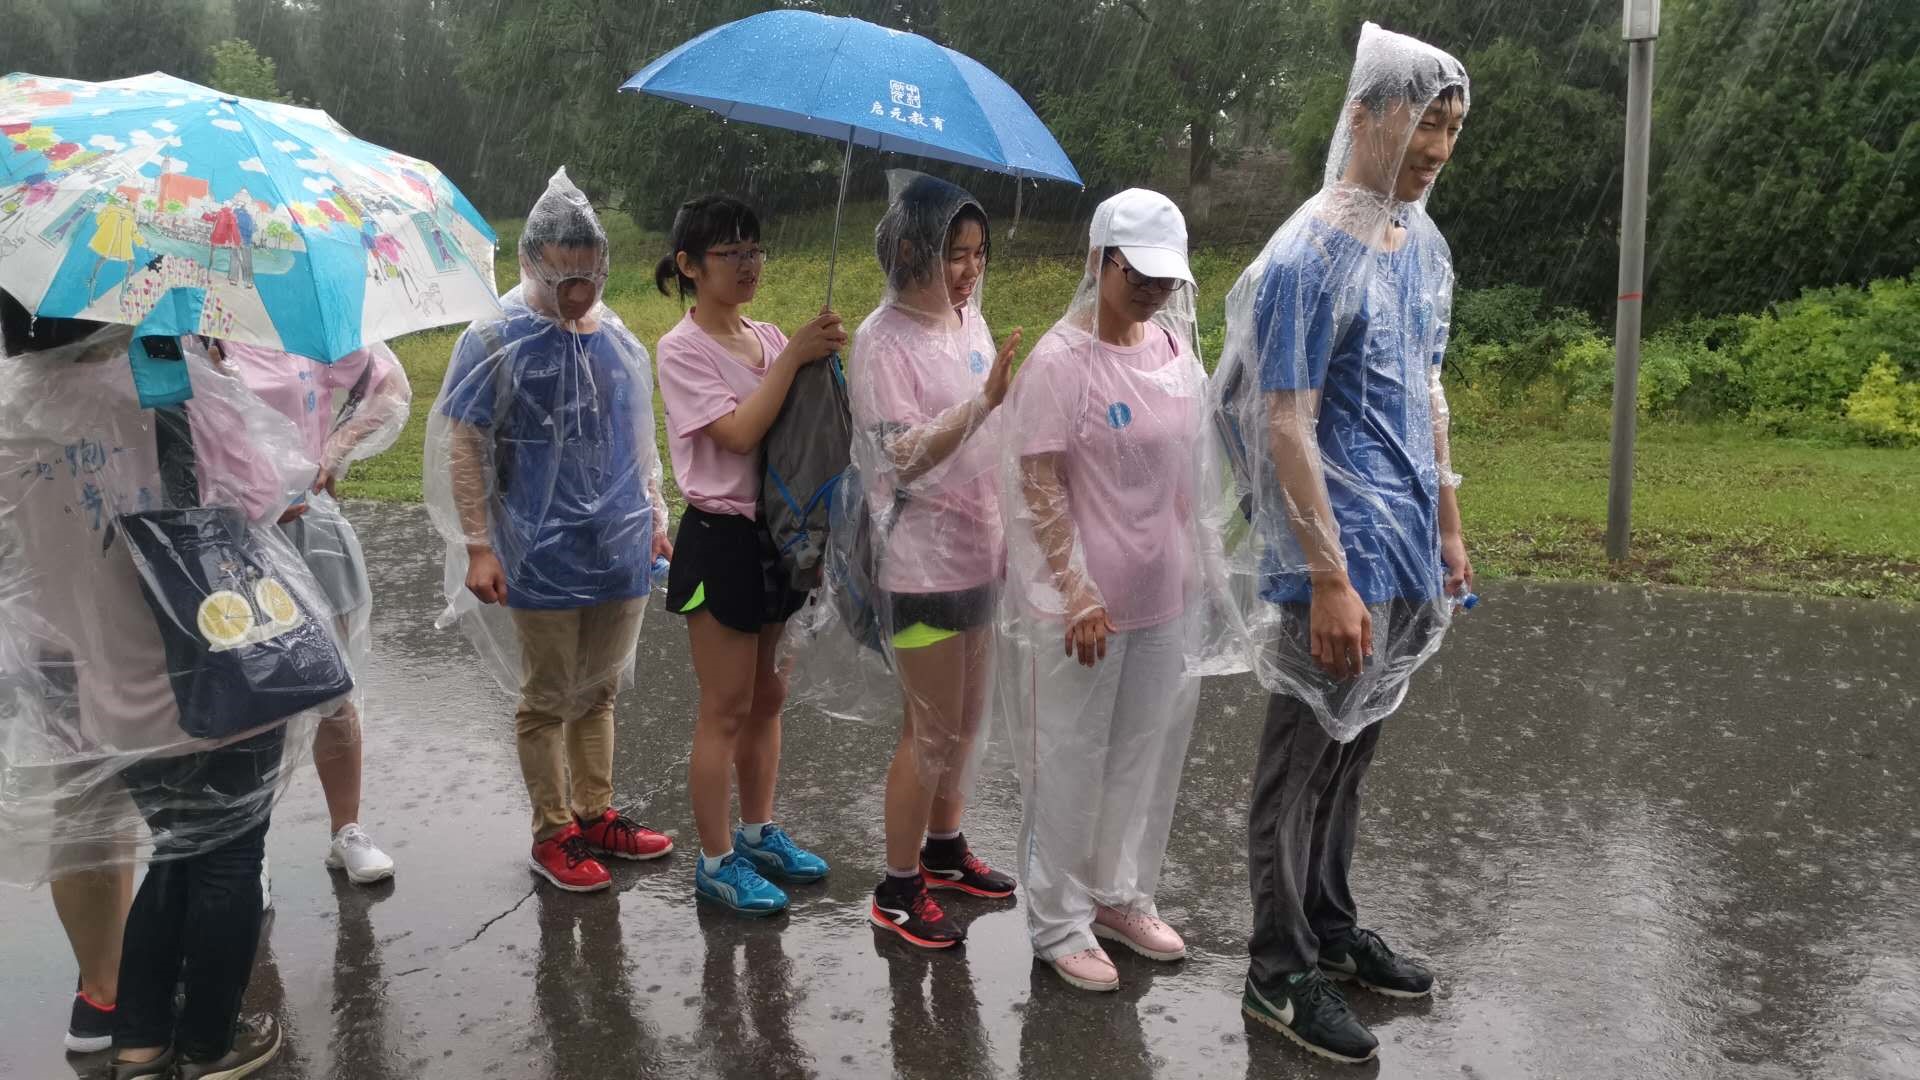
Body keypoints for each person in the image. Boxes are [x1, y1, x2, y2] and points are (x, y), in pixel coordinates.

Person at [1214, 23, 1472, 1065]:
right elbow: (1282, 418)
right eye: (1421, 123)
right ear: (1363, 116)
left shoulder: (1421, 245)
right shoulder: (1305, 257)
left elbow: (1427, 389)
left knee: (1351, 754)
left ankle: (1328, 928)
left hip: (1404, 548)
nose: (1436, 148)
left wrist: (1448, 525)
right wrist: (1326, 574)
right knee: (1297, 766)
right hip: (1333, 562)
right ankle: (1276, 971)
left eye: (1451, 128)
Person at [0, 289, 330, 1079]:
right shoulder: (169, 381)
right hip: (218, 665)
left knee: (180, 850)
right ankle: (211, 1043)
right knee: (228, 857)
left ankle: (142, 1043)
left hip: (109, 687)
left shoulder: (11, 417)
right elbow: (272, 496)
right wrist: (213, 376)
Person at [1000, 189, 1234, 991]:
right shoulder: (1060, 362)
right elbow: (1038, 480)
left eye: (1167, 279)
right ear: (1100, 261)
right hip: (1084, 611)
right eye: (1139, 276)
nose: (1155, 292)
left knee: (1141, 752)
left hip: (1163, 595)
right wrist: (1075, 587)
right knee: (1069, 763)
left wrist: (1203, 560)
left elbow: (1190, 467)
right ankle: (1057, 921)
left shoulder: (1170, 350)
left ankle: (1116, 893)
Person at [427, 168, 674, 894]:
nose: (579, 291)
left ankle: (595, 813)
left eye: (591, 275)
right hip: (539, 552)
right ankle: (553, 830)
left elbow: (641, 439)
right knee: (547, 697)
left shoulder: (617, 338)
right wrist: (478, 546)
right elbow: (466, 443)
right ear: (531, 263)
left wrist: (656, 517)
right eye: (565, 276)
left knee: (599, 692)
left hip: (618, 545)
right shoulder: (495, 337)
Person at [653, 194, 845, 916]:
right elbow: (736, 435)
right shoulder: (681, 350)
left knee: (768, 700)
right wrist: (794, 358)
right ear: (689, 265)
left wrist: (815, 362)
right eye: (730, 253)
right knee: (725, 708)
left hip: (780, 536)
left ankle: (759, 832)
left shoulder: (767, 336)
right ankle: (715, 861)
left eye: (754, 250)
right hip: (721, 539)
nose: (748, 265)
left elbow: (797, 427)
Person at [848, 173, 1023, 949]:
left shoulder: (967, 323)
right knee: (929, 730)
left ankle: (944, 850)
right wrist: (983, 404)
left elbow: (993, 437)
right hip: (918, 566)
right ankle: (896, 888)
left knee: (965, 725)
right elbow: (902, 456)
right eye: (956, 253)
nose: (970, 270)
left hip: (981, 554)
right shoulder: (881, 340)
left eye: (979, 253)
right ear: (914, 252)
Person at [209, 335, 414, 885]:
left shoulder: (304, 327)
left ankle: (347, 830)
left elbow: (390, 385)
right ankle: (248, 849)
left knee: (335, 686)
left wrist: (334, 450)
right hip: (232, 536)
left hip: (310, 525)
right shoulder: (197, 334)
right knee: (249, 702)